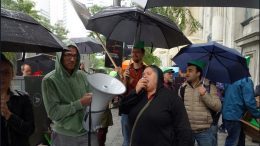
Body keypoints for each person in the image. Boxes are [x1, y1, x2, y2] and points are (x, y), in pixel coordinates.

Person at [120, 65, 193, 146]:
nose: (145, 76)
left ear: (158, 77)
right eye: (143, 74)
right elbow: (123, 108)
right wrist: (135, 91)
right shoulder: (138, 95)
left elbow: (184, 130)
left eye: (148, 73)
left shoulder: (172, 98)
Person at [42, 41, 93, 146]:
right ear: (60, 56)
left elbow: (91, 100)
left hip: (86, 132)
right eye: (68, 55)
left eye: (75, 55)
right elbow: (54, 113)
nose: (72, 59)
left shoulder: (82, 75)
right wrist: (80, 103)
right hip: (64, 136)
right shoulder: (50, 80)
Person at [178, 60, 221, 146]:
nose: (187, 73)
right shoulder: (183, 88)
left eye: (190, 71)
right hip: (187, 131)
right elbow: (178, 109)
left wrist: (204, 94)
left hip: (205, 132)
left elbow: (218, 107)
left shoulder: (209, 86)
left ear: (198, 73)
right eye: (186, 71)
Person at [222, 56, 260, 146]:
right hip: (236, 116)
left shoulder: (230, 79)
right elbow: (249, 101)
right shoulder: (245, 80)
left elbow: (225, 94)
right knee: (232, 141)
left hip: (228, 114)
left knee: (239, 140)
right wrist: (257, 115)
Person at [1, 53, 35, 146]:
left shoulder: (23, 98)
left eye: (6, 72)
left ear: (12, 75)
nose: (2, 77)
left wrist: (9, 115)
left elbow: (30, 129)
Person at [119, 41, 146, 146]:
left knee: (139, 139)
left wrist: (132, 81)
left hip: (140, 109)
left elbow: (143, 89)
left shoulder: (146, 70)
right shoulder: (127, 70)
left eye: (137, 52)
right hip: (127, 109)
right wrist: (124, 79)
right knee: (126, 140)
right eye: (133, 52)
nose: (134, 54)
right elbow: (123, 92)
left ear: (143, 54)